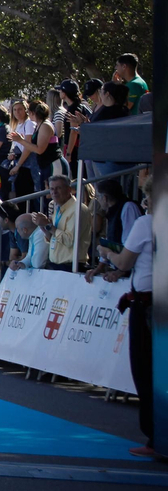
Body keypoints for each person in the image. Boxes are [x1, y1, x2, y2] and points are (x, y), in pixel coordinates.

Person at [86, 172, 155, 457]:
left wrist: (107, 252)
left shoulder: (146, 223)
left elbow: (125, 260)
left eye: (149, 196)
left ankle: (155, 437)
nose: (145, 201)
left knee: (146, 370)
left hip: (147, 305)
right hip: (149, 300)